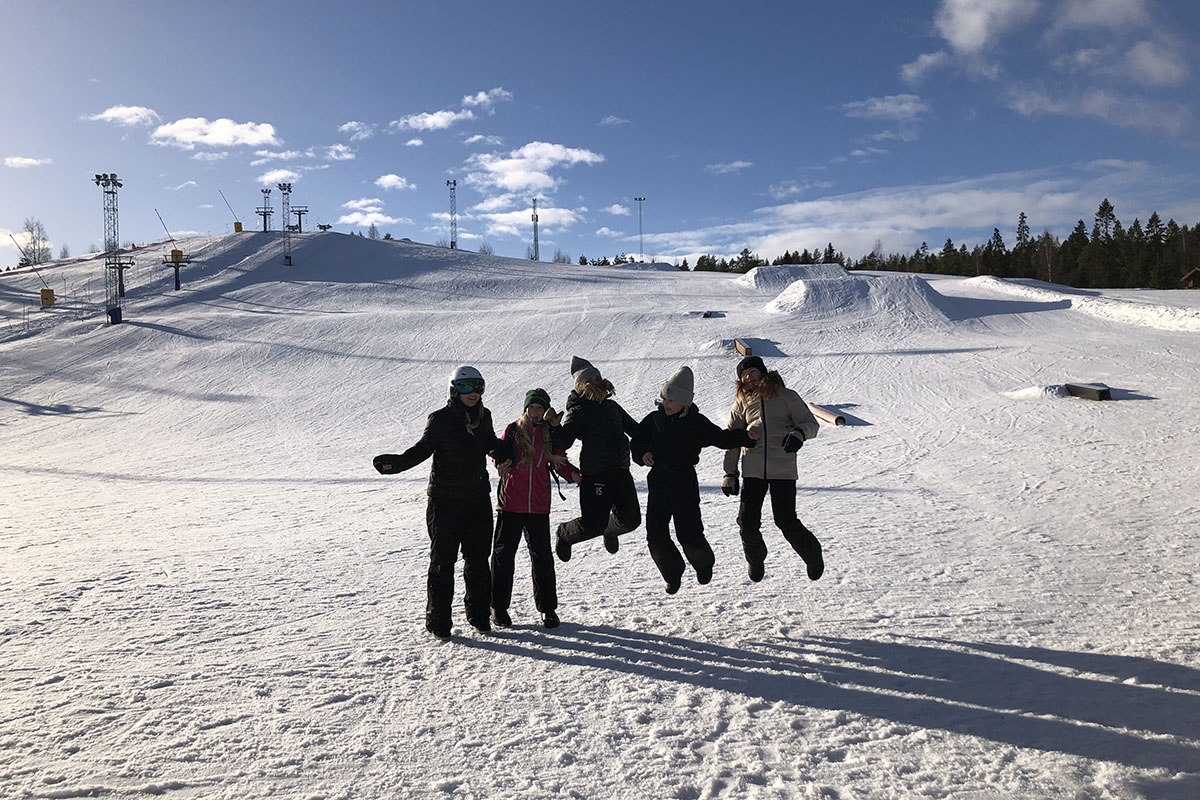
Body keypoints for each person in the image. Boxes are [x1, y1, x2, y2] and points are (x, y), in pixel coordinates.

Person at [373, 366, 513, 641]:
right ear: (453, 389)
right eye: (465, 387)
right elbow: (422, 449)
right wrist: (397, 464)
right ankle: (439, 623)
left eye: (477, 386)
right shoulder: (440, 419)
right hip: (445, 502)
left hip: (476, 500)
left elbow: (488, 443)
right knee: (442, 563)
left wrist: (502, 451)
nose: (472, 393)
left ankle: (479, 617)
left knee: (478, 561)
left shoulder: (485, 417)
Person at [630, 366, 758, 594]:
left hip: (684, 482)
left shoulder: (696, 422)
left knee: (688, 532)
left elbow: (721, 438)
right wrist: (642, 455)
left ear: (684, 402)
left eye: (671, 400)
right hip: (659, 482)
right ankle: (672, 572)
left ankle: (703, 563)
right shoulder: (653, 420)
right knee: (655, 534)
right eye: (664, 399)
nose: (666, 404)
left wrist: (746, 437)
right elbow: (637, 443)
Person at [721, 355, 825, 582]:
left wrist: (799, 434)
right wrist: (730, 473)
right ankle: (755, 559)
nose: (748, 377)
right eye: (744, 375)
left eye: (752, 372)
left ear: (762, 372)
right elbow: (731, 439)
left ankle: (812, 554)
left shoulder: (786, 396)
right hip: (753, 469)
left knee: (785, 520)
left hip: (783, 468)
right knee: (747, 523)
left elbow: (811, 424)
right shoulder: (741, 403)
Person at [491, 388, 581, 629]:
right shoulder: (513, 430)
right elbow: (498, 452)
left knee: (542, 558)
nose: (535, 412)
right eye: (531, 407)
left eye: (539, 408)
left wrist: (573, 474)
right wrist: (501, 462)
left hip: (538, 506)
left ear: (545, 410)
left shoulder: (550, 434)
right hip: (510, 503)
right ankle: (498, 607)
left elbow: (559, 460)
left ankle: (548, 609)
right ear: (525, 408)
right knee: (502, 556)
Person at [550, 356, 641, 561]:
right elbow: (564, 442)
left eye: (598, 379)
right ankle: (564, 534)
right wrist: (555, 426)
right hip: (596, 473)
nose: (598, 384)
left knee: (631, 520)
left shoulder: (612, 407)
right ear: (582, 386)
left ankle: (610, 531)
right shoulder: (579, 410)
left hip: (620, 471)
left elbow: (636, 429)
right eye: (591, 381)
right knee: (593, 524)